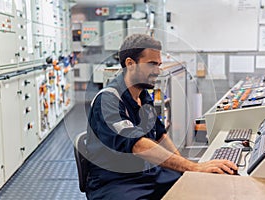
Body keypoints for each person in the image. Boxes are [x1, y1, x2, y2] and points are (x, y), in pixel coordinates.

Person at [85, 34, 237, 200]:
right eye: (151, 64)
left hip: (148, 173)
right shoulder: (108, 100)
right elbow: (138, 146)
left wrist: (187, 169)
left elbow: (160, 135)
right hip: (116, 181)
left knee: (200, 186)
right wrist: (194, 167)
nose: (158, 71)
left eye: (159, 64)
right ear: (130, 64)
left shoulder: (143, 95)